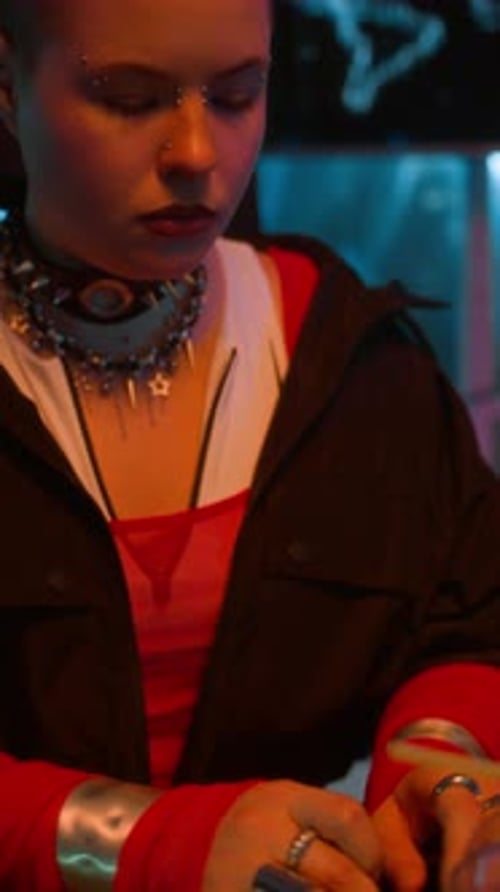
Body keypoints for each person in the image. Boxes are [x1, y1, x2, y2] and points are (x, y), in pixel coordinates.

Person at [0, 0, 499, 890]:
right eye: (126, 97)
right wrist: (146, 845)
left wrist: (441, 762)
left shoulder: (349, 356)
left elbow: (467, 627)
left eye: (238, 95)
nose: (196, 152)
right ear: (7, 85)